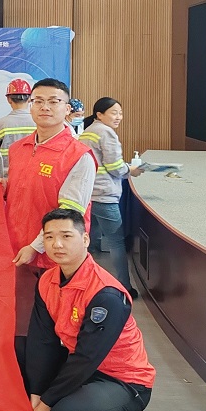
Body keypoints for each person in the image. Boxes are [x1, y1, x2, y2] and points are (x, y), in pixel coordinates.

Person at [0, 208, 155, 411]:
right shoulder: (48, 280)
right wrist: (36, 392)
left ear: (85, 239)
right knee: (16, 351)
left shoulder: (106, 294)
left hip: (122, 381)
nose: (57, 244)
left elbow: (87, 358)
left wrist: (47, 403)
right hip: (83, 367)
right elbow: (42, 340)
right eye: (49, 237)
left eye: (66, 236)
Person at [6, 78, 97, 336]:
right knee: (21, 327)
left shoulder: (78, 155)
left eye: (54, 101)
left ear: (67, 108)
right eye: (38, 101)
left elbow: (69, 215)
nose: (45, 107)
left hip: (55, 257)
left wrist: (36, 247)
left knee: (55, 331)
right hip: (19, 255)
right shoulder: (18, 149)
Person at [79, 97, 144, 297]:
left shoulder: (88, 131)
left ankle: (87, 283)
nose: (118, 117)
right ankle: (125, 286)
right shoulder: (106, 132)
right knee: (116, 242)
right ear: (99, 114)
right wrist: (131, 170)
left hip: (88, 194)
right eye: (114, 113)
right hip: (104, 194)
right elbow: (115, 167)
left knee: (89, 241)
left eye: (120, 113)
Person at [0, 78, 35, 175]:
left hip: (6, 176)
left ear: (9, 99)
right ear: (30, 99)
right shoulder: (39, 123)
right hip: (33, 174)